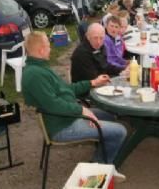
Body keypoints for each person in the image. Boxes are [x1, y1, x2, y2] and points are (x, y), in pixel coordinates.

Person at [22, 31, 127, 177]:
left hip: (67, 116)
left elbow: (67, 89)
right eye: (48, 45)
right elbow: (53, 105)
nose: (51, 48)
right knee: (120, 131)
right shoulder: (34, 74)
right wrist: (81, 110)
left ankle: (101, 155)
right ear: (41, 50)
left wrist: (92, 82)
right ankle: (99, 166)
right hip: (62, 125)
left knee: (109, 115)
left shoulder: (41, 68)